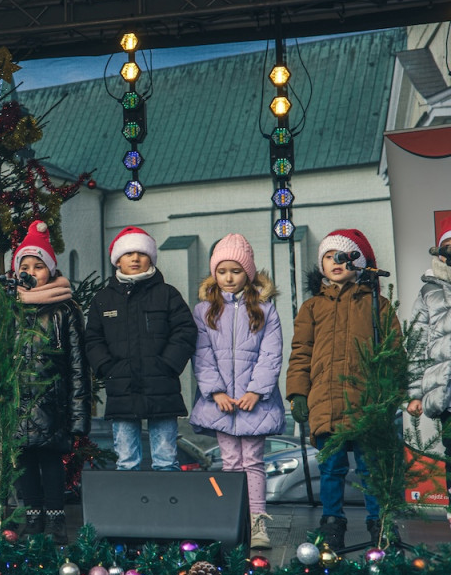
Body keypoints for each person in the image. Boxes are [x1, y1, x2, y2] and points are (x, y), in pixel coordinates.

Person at [287, 229, 395, 549]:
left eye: (343, 256)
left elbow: (392, 350)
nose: (335, 262)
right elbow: (301, 352)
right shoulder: (312, 307)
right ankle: (332, 523)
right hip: (326, 399)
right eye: (328, 256)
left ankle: (380, 524)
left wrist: (389, 394)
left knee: (370, 466)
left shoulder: (377, 304)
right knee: (331, 468)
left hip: (366, 399)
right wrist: (297, 393)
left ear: (358, 263)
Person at [188, 234, 284, 549]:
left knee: (253, 461)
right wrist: (215, 392)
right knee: (229, 462)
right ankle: (232, 519)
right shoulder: (203, 311)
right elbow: (201, 355)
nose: (229, 277)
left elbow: (271, 354)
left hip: (253, 402)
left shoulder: (266, 311)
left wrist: (256, 391)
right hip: (223, 403)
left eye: (236, 271)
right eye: (222, 271)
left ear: (249, 273)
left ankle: (257, 525)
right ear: (214, 274)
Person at [85, 226, 197, 472]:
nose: (135, 259)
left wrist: (167, 365)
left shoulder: (167, 294)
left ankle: (169, 509)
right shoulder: (103, 299)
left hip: (162, 389)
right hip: (121, 388)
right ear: (117, 260)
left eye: (141, 253)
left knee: (166, 460)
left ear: (151, 258)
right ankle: (130, 511)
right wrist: (107, 367)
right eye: (128, 253)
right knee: (126, 461)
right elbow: (93, 338)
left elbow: (185, 331)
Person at [11, 220, 91, 544]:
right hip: (18, 402)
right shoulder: (11, 309)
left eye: (38, 265)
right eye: (25, 265)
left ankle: (56, 518)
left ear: (50, 270)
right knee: (25, 462)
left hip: (51, 402)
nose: (32, 271)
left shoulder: (64, 310)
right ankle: (32, 516)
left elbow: (76, 364)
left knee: (50, 461)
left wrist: (78, 414)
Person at [407, 216, 451, 531]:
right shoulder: (428, 291)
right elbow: (416, 341)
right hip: (446, 388)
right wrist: (413, 392)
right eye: (447, 248)